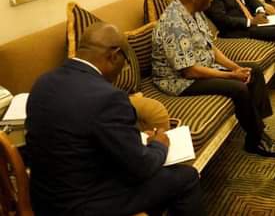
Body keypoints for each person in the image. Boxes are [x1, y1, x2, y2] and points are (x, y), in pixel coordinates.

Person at [26, 22, 204, 216]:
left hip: (43, 199)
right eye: (125, 61)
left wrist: (130, 140)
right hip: (83, 205)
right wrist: (159, 145)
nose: (123, 68)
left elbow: (77, 138)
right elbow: (142, 167)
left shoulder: (43, 82)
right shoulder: (109, 97)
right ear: (114, 56)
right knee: (186, 177)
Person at [152, 0, 275, 157]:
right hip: (179, 81)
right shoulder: (173, 24)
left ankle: (258, 130)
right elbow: (189, 71)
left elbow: (210, 48)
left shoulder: (194, 12)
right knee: (238, 87)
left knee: (253, 71)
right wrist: (231, 75)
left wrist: (235, 67)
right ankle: (256, 140)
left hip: (201, 67)